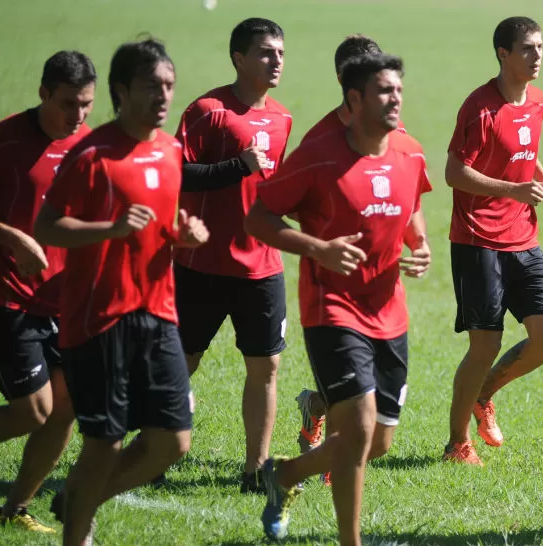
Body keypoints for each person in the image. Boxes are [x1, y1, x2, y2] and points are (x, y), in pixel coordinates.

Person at [245, 52, 431, 545]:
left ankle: (285, 474)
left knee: (379, 441)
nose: (395, 100)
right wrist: (317, 249)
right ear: (354, 98)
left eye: (398, 90)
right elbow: (259, 218)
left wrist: (421, 244)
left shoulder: (410, 152)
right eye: (383, 92)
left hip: (390, 311)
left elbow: (411, 207)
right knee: (360, 428)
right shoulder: (319, 155)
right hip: (332, 311)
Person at [33, 38, 209, 546]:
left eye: (169, 86)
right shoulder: (92, 154)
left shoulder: (172, 151)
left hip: (159, 312)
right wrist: (106, 230)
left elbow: (162, 221)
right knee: (104, 442)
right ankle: (78, 534)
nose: (163, 96)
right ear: (121, 90)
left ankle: (78, 498)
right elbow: (48, 226)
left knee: (172, 442)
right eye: (152, 86)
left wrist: (183, 231)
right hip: (99, 318)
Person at [0, 50, 96, 534]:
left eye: (86, 104)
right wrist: (13, 237)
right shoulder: (1, 143)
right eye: (68, 104)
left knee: (67, 405)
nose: (78, 115)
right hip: (8, 297)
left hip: (66, 300)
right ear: (43, 93)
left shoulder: (85, 144)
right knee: (33, 410)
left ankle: (14, 508)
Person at [173, 17, 291, 492]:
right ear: (239, 58)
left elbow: (272, 188)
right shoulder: (208, 110)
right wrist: (233, 167)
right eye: (266, 52)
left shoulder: (281, 118)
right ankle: (154, 448)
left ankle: (254, 469)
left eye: (281, 52)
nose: (277, 60)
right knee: (183, 361)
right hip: (202, 264)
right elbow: (176, 172)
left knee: (266, 368)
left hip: (262, 267)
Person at [443, 16, 543, 466]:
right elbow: (454, 173)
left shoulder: (538, 101)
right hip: (477, 239)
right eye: (527, 48)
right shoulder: (479, 107)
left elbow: (523, 153)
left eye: (540, 47)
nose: (537, 56)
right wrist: (511, 189)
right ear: (503, 54)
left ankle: (485, 394)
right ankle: (456, 443)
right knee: (484, 345)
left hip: (523, 235)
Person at [293, 34, 408, 463]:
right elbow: (278, 210)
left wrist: (418, 240)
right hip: (333, 295)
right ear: (348, 84)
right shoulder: (318, 143)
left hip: (384, 292)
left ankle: (315, 407)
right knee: (358, 412)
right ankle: (323, 472)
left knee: (374, 418)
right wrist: (321, 247)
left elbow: (408, 191)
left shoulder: (394, 133)